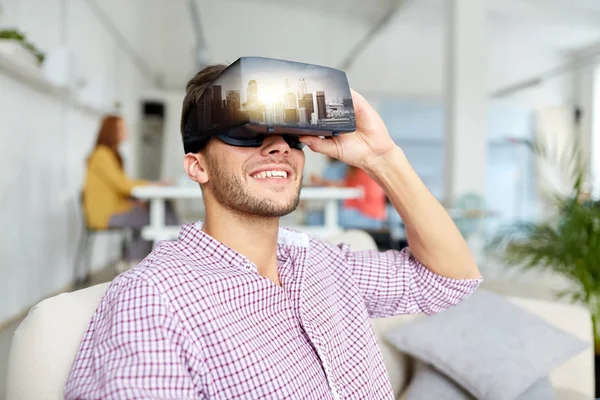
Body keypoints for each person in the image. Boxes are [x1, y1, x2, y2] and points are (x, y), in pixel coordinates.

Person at [65, 64, 482, 399]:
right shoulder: (155, 300)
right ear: (197, 166)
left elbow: (448, 282)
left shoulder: (324, 262)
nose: (278, 146)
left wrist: (383, 158)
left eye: (289, 135)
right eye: (246, 133)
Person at [83, 115, 179, 267]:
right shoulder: (101, 154)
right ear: (112, 131)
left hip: (116, 209)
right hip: (106, 215)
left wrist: (134, 200)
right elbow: (123, 185)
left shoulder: (109, 155)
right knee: (156, 217)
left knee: (160, 212)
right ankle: (136, 261)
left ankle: (158, 258)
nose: (126, 130)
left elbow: (118, 188)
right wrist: (154, 184)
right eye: (122, 128)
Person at [308, 164, 387, 231]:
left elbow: (367, 193)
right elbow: (346, 185)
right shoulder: (357, 170)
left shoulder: (366, 170)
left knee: (315, 218)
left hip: (369, 217)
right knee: (318, 217)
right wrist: (322, 182)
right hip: (367, 215)